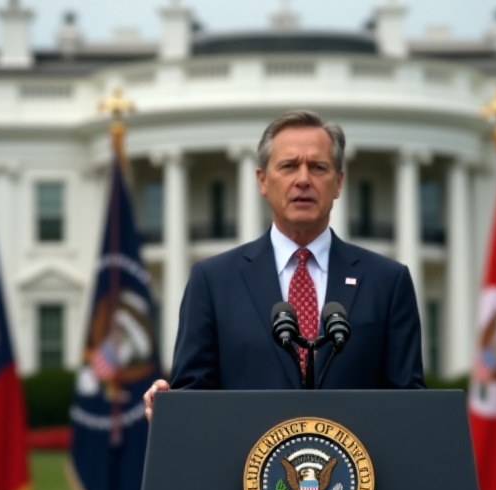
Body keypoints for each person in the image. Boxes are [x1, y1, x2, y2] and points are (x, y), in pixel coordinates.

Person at [144, 110, 424, 420]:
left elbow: (410, 407)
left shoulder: (387, 282)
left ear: (338, 183)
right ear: (263, 181)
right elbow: (193, 400)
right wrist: (170, 412)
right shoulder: (213, 282)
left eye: (318, 167)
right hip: (243, 466)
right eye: (289, 166)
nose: (303, 180)